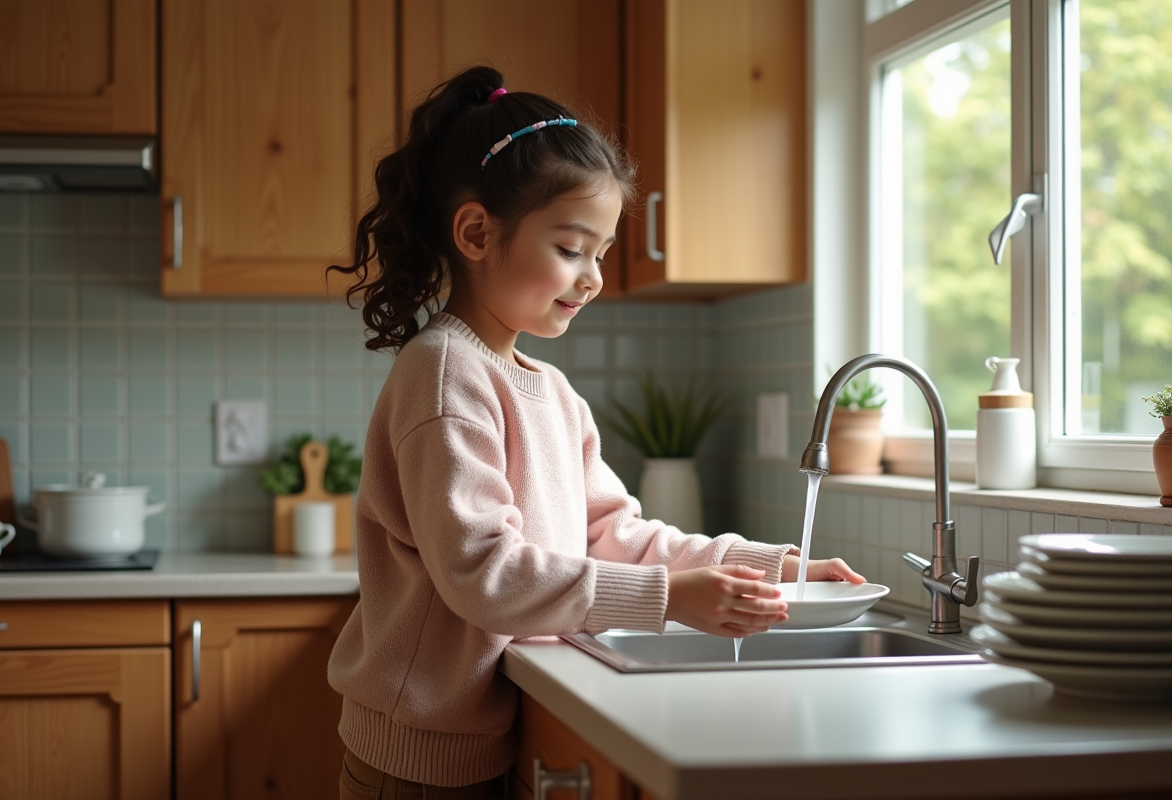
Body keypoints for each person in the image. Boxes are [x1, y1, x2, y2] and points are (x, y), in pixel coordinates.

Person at [326, 66, 864, 800]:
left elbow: (615, 533)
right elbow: (483, 573)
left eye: (603, 253)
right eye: (572, 248)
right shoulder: (446, 372)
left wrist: (770, 568)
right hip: (416, 753)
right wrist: (670, 598)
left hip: (476, 731)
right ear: (478, 232)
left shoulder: (553, 393)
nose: (594, 277)